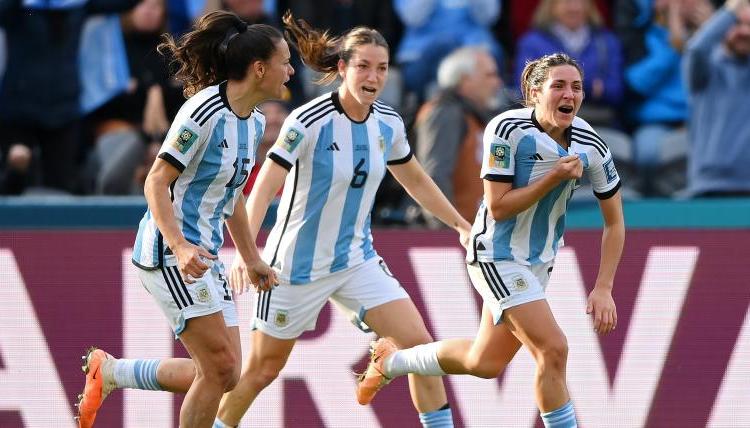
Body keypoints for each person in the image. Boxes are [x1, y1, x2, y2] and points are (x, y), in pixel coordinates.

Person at [212, 11, 472, 428]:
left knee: (422, 350)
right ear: (342, 68)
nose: (374, 76)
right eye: (364, 66)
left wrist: (460, 225)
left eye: (382, 68)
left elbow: (417, 182)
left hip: (355, 260)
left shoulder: (388, 122)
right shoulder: (307, 121)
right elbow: (264, 186)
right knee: (261, 372)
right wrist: (247, 252)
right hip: (292, 268)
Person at [356, 53, 625, 428]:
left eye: (576, 87)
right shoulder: (506, 129)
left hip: (537, 260)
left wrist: (604, 287)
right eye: (558, 86)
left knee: (484, 363)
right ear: (534, 92)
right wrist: (552, 178)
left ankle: (393, 361)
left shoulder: (591, 144)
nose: (570, 94)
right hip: (495, 254)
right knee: (554, 348)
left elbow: (615, 223)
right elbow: (497, 208)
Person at [75, 10, 293, 428]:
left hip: (203, 256)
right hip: (168, 252)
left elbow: (232, 200)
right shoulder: (203, 111)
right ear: (260, 68)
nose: (290, 70)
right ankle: (113, 373)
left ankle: (113, 372)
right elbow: (156, 181)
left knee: (227, 374)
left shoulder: (255, 123)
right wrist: (178, 244)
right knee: (218, 367)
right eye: (285, 61)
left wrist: (250, 259)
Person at [413, 46, 504, 227]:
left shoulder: (479, 117)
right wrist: (448, 230)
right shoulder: (445, 112)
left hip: (481, 234)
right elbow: (435, 176)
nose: (498, 83)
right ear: (465, 80)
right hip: (458, 237)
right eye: (489, 75)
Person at [683, 0, 750, 196]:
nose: (744, 33)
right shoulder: (706, 68)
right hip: (708, 185)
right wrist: (730, 12)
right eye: (737, 25)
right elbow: (696, 48)